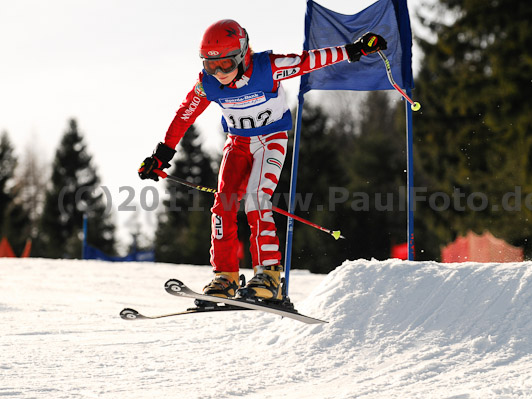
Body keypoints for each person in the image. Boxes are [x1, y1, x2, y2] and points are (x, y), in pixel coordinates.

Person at [138, 19, 386, 302]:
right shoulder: (207, 84)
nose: (219, 73)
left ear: (243, 54)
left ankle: (269, 275)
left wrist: (354, 50)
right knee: (223, 206)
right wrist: (161, 155)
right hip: (238, 144)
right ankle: (225, 277)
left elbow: (309, 61)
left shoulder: (270, 67)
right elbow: (185, 114)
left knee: (256, 199)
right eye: (211, 65)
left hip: (271, 140)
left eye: (226, 65)